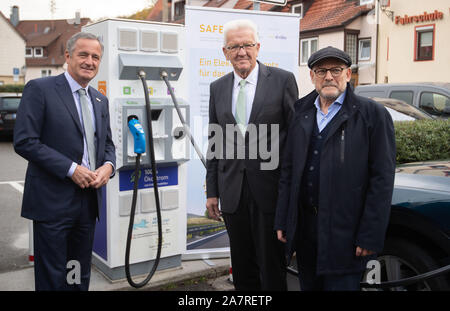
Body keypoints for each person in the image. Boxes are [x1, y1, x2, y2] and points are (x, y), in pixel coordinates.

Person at [275, 46, 396, 291]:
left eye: (336, 70)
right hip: (307, 232)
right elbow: (289, 172)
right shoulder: (301, 112)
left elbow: (381, 179)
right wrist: (284, 219)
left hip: (347, 234)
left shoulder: (372, 114)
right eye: (321, 71)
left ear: (348, 74)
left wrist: (370, 234)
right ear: (312, 76)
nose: (329, 76)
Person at [13, 32, 116, 291]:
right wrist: (70, 169)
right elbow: (25, 141)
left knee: (78, 273)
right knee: (52, 277)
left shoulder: (100, 100)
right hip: (52, 203)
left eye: (95, 57)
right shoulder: (40, 89)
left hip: (87, 203)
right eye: (83, 55)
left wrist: (108, 167)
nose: (90, 61)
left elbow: (107, 145)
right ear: (68, 57)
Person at [205, 19, 298, 291]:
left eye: (246, 45)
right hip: (233, 193)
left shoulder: (282, 81)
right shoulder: (218, 88)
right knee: (242, 270)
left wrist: (292, 192)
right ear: (225, 52)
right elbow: (214, 141)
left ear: (258, 47)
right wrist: (213, 191)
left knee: (272, 270)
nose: (241, 52)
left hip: (270, 193)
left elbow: (294, 139)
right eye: (234, 46)